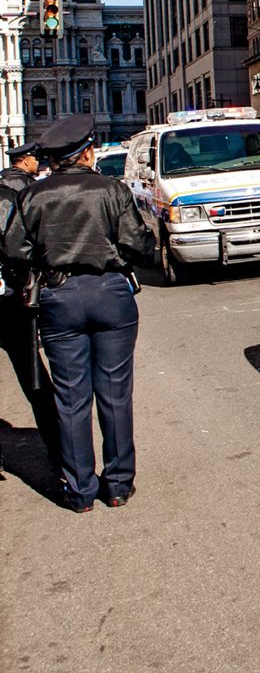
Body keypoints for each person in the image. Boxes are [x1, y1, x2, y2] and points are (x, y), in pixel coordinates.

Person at [3, 115, 156, 512]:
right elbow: (138, 244)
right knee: (115, 393)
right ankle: (119, 485)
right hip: (109, 292)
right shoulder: (111, 189)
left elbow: (13, 251)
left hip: (59, 296)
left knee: (71, 399)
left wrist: (38, 268)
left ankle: (80, 491)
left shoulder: (33, 196)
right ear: (87, 151)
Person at [1, 141, 60, 460]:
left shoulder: (1, 187)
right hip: (16, 298)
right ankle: (58, 451)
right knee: (36, 380)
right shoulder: (29, 193)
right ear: (26, 162)